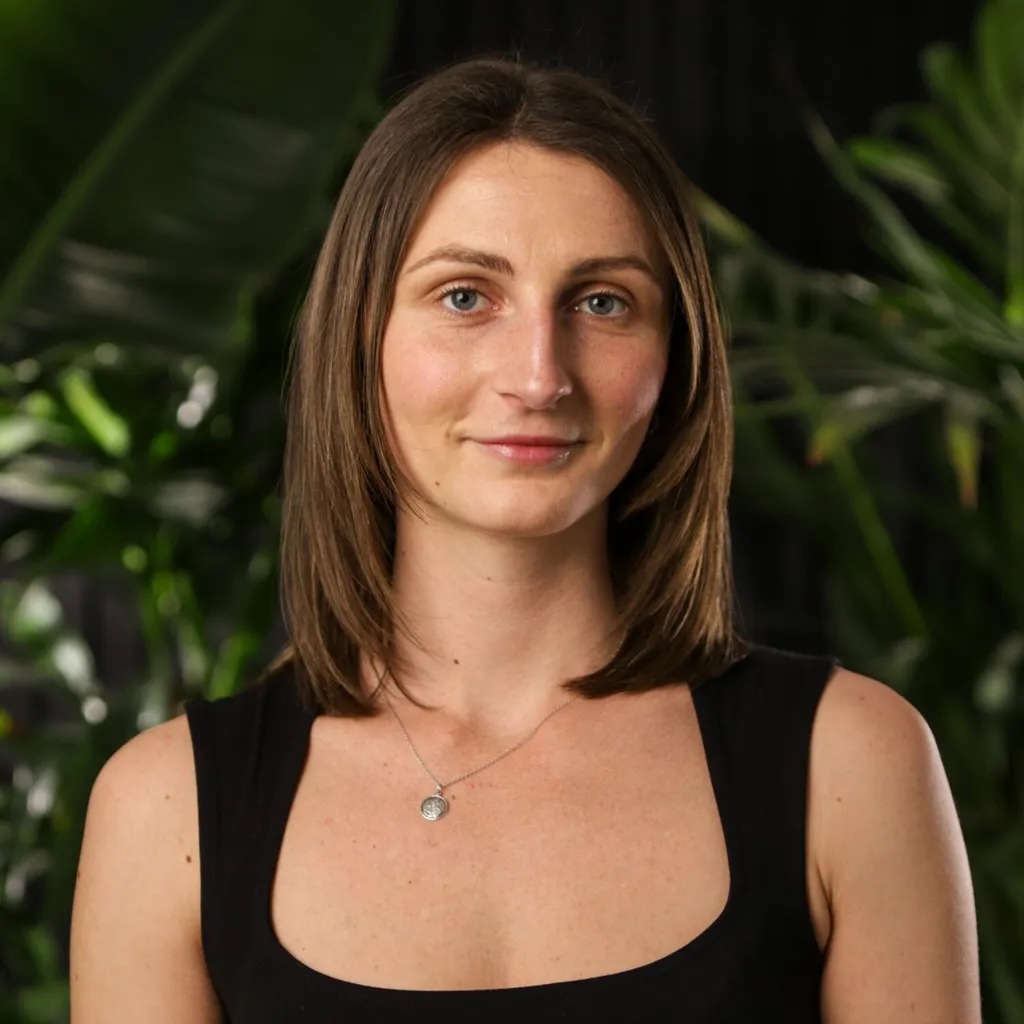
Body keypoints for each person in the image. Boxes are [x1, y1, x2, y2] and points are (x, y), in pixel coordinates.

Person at [69, 57, 981, 1023]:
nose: (540, 376)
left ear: (675, 358)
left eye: (603, 302)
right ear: (360, 337)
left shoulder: (851, 767)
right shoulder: (167, 814)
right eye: (465, 296)